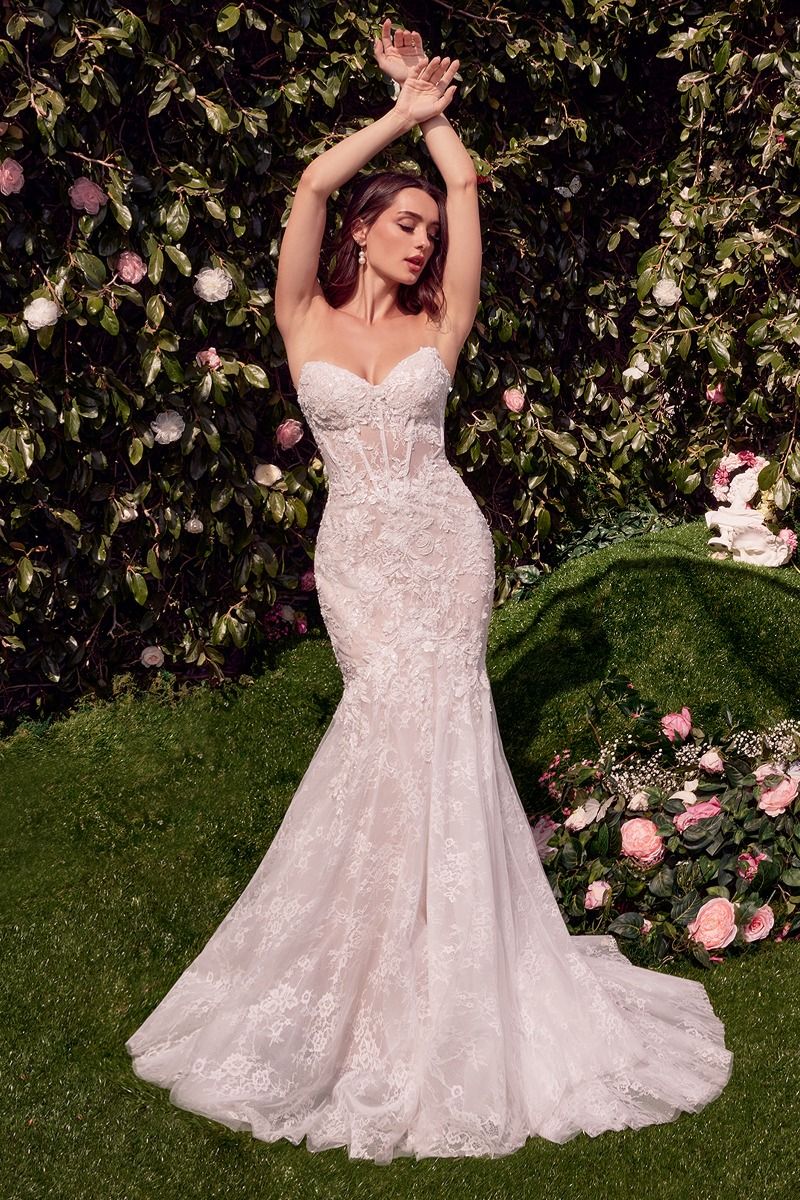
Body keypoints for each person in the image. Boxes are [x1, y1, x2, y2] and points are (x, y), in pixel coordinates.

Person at [125, 20, 733, 1164]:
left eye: (430, 235)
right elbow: (312, 183)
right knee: (381, 733)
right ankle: (359, 971)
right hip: (358, 557)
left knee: (443, 734)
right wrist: (395, 114)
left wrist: (433, 116)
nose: (421, 243)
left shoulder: (438, 325)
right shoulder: (300, 314)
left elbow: (460, 183)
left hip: (444, 549)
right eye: (403, 226)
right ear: (361, 230)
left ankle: (449, 970)